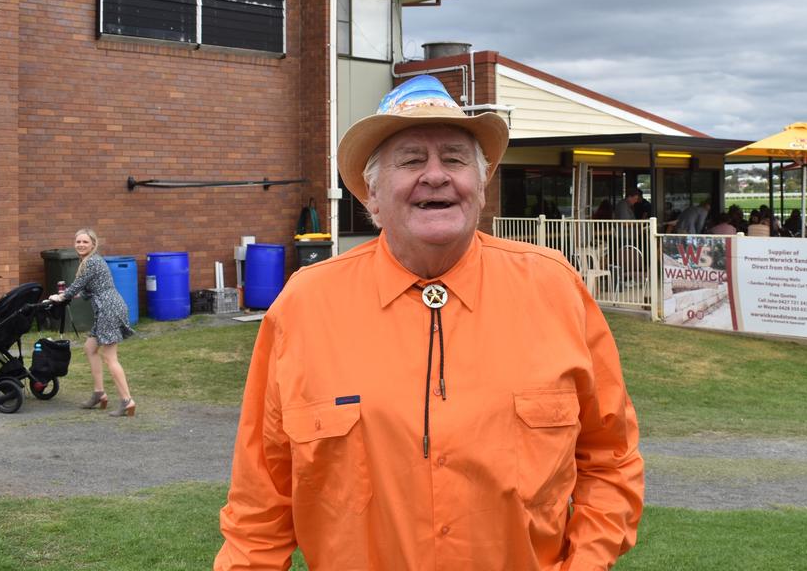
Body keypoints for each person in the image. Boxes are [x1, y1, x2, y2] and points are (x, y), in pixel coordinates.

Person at [215, 75, 644, 570]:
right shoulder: (304, 307)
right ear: (372, 196)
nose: (436, 176)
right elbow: (259, 504)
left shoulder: (555, 290)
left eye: (455, 159)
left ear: (481, 188)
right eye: (412, 159)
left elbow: (610, 461)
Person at [48, 228, 136, 417]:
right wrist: (72, 295)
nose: (80, 245)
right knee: (90, 348)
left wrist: (62, 296)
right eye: (78, 242)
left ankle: (127, 400)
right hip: (107, 308)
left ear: (93, 245)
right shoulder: (88, 261)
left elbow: (78, 285)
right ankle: (99, 393)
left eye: (85, 242)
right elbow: (88, 289)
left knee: (110, 357)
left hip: (108, 309)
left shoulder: (93, 261)